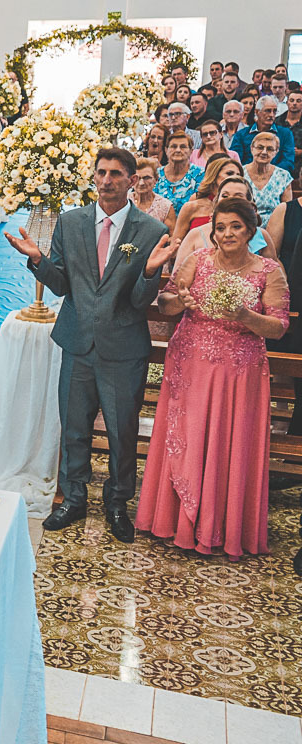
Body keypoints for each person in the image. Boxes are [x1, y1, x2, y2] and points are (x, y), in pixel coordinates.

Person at [5, 147, 178, 541]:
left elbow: (138, 301)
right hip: (78, 343)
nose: (106, 180)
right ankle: (74, 497)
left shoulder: (150, 232)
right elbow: (64, 284)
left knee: (121, 431)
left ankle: (117, 504)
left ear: (132, 180)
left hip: (123, 349)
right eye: (101, 172)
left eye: (116, 174)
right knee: (75, 426)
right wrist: (38, 261)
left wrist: (151, 272)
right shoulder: (72, 223)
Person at [137, 197, 287, 557]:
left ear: (251, 230)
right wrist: (180, 303)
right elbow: (166, 302)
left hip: (239, 373)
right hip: (191, 365)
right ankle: (174, 522)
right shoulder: (197, 260)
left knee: (227, 440)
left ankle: (220, 526)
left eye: (235, 226)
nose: (227, 233)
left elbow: (279, 327)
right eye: (220, 227)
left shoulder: (269, 270)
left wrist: (244, 315)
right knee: (184, 438)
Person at [171, 157, 242, 238]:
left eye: (238, 175)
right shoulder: (191, 207)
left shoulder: (244, 208)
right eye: (229, 173)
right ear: (214, 176)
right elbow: (176, 243)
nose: (235, 178)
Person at [232, 96, 296, 173]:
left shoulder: (285, 134)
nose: (272, 115)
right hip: (247, 176)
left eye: (274, 111)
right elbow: (236, 160)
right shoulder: (242, 134)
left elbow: (288, 161)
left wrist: (270, 173)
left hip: (276, 178)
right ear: (257, 112)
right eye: (268, 111)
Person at [243, 132, 295, 222]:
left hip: (275, 228)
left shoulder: (283, 176)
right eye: (260, 147)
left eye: (270, 149)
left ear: (276, 152)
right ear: (252, 149)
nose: (264, 152)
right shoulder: (240, 173)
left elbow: (287, 211)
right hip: (245, 225)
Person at [155, 132, 205, 214]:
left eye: (183, 147)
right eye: (173, 146)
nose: (178, 150)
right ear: (166, 150)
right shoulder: (156, 175)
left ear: (191, 151)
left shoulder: (200, 174)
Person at [130, 157, 174, 227]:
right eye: (137, 178)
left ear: (156, 180)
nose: (141, 183)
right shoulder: (123, 202)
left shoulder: (165, 207)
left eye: (146, 178)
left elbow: (171, 237)